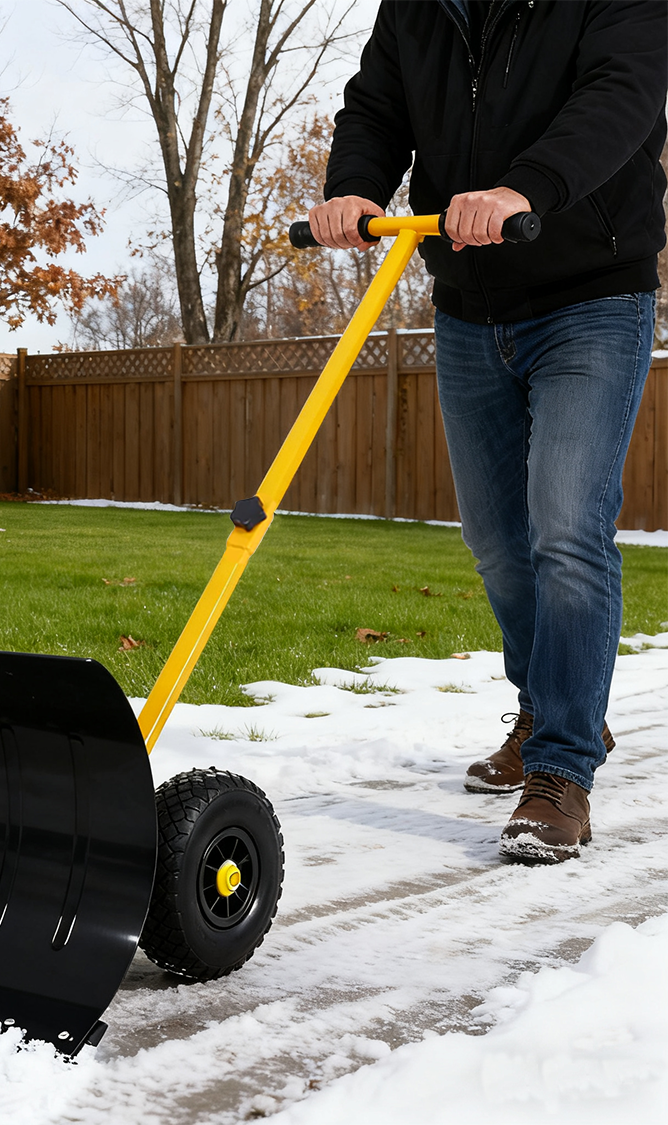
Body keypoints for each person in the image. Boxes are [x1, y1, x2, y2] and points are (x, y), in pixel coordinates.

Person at [308, 1, 666, 864]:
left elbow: (620, 95)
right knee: (497, 543)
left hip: (591, 293)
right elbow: (376, 106)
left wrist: (523, 188)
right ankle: (547, 706)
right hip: (469, 303)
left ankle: (560, 770)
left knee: (566, 528)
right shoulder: (417, 5)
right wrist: (353, 185)